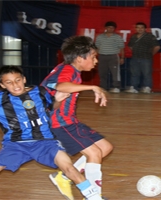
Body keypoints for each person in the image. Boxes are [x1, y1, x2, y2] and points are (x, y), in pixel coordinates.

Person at [0, 66, 100, 200]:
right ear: (2, 85)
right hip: (16, 144)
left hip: (45, 142)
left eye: (18, 80)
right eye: (9, 82)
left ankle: (93, 197)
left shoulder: (40, 92)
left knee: (69, 168)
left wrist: (58, 100)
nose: (15, 85)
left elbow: (51, 107)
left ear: (24, 79)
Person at [41, 36, 113, 200]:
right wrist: (93, 86)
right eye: (94, 57)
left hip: (69, 121)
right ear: (80, 58)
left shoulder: (67, 69)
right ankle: (94, 196)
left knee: (105, 147)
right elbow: (62, 86)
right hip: (59, 123)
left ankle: (64, 177)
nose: (96, 61)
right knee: (94, 153)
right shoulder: (68, 70)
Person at [125, 22, 160, 94]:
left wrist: (151, 54)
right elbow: (130, 46)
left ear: (145, 29)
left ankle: (147, 87)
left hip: (146, 58)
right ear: (136, 29)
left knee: (147, 73)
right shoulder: (133, 36)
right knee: (134, 73)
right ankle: (134, 87)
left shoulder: (150, 36)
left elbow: (157, 47)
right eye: (138, 27)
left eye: (142, 27)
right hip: (135, 58)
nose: (140, 29)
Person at [95, 21, 125, 93]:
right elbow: (97, 48)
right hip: (102, 56)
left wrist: (122, 58)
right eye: (109, 27)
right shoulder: (100, 37)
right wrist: (95, 57)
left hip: (113, 56)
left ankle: (116, 87)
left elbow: (122, 48)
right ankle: (103, 87)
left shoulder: (118, 37)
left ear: (114, 29)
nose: (110, 29)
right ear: (105, 28)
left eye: (112, 28)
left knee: (115, 73)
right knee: (102, 73)